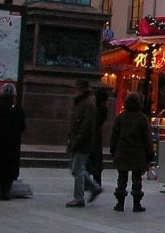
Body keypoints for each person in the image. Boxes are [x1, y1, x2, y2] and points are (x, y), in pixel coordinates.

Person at [109, 91, 155, 212]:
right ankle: (136, 203)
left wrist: (113, 149)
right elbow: (147, 138)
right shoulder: (142, 118)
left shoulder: (120, 117)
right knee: (137, 179)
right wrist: (150, 153)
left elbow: (114, 135)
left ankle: (120, 203)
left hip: (122, 151)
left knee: (122, 178)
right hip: (138, 153)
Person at [0, 82, 26, 200]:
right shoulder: (17, 108)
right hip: (12, 144)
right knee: (9, 167)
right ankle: (7, 191)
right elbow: (22, 126)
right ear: (14, 95)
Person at [66, 79, 103, 207]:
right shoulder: (81, 102)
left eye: (76, 88)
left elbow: (86, 126)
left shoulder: (87, 104)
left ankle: (82, 195)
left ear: (82, 90)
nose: (74, 91)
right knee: (76, 169)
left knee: (78, 170)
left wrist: (77, 139)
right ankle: (93, 188)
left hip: (82, 142)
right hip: (79, 140)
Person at [89, 87, 109, 188]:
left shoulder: (96, 108)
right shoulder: (103, 108)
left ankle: (91, 183)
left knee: (91, 159)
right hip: (97, 135)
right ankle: (96, 181)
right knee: (96, 159)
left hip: (92, 135)